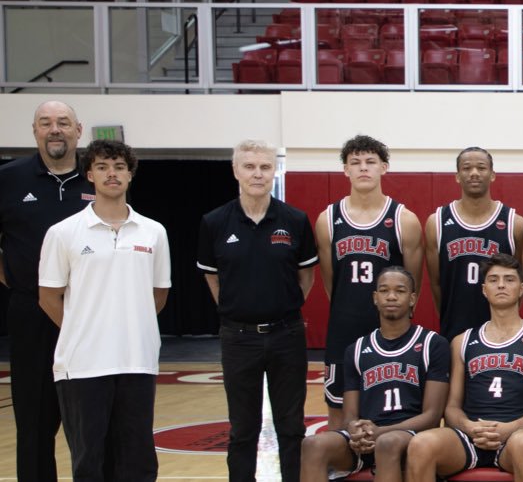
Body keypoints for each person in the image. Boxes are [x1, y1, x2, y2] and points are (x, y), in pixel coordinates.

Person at [37, 139, 171, 481]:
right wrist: (84, 330)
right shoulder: (63, 233)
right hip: (82, 366)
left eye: (119, 167)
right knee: (90, 463)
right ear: (90, 175)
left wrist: (127, 325)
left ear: (130, 175)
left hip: (137, 362)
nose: (112, 174)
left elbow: (157, 295)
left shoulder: (154, 232)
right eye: (102, 167)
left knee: (138, 464)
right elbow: (49, 296)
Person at [197, 140, 318, 481]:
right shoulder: (215, 222)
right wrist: (240, 309)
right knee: (242, 429)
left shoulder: (294, 220)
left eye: (265, 167)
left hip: (287, 334)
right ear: (236, 171)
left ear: (273, 171)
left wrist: (280, 306)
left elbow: (305, 278)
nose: (257, 174)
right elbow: (212, 278)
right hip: (238, 339)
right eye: (249, 166)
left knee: (291, 427)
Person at [0, 100, 91, 482]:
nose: (55, 129)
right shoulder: (9, 178)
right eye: (46, 123)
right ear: (35, 130)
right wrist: (21, 282)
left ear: (78, 130)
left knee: (92, 426)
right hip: (31, 316)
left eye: (63, 122)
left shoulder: (99, 176)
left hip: (89, 315)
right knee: (34, 427)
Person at [405, 254, 523, 482]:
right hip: (470, 436)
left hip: (518, 434)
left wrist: (510, 427)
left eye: (509, 279)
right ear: (484, 289)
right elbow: (452, 407)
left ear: (522, 288)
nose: (501, 285)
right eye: (494, 280)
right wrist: (469, 427)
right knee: (421, 444)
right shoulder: (462, 341)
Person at [301, 267, 450, 482]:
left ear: (412, 298)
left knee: (387, 443)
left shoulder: (432, 344)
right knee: (313, 445)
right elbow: (350, 414)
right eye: (384, 290)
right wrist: (354, 428)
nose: (391, 296)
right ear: (375, 298)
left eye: (400, 291)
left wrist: (380, 432)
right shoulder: (357, 349)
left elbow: (432, 416)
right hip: (368, 438)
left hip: (410, 437)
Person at [315, 135, 424, 428]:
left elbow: (413, 285)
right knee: (338, 414)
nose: (363, 168)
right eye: (355, 162)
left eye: (370, 162)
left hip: (389, 333)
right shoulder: (328, 219)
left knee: (392, 410)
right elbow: (330, 283)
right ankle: (342, 469)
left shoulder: (404, 220)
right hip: (343, 331)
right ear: (345, 170)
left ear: (384, 168)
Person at [425, 146, 523, 339]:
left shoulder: (514, 223)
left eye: (481, 168)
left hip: (502, 334)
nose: (474, 173)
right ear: (457, 176)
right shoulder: (436, 222)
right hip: (453, 330)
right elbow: (436, 283)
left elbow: (520, 282)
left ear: (492, 175)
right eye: (467, 168)